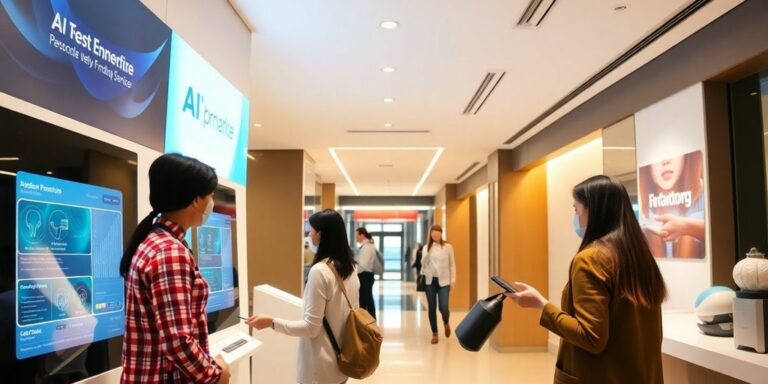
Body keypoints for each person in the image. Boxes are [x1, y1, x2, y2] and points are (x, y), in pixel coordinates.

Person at [506, 175, 667, 383]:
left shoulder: (590, 260)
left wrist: (542, 305)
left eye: (576, 209)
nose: (575, 217)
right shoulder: (640, 257)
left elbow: (591, 337)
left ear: (594, 211)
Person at [120, 153, 230, 384]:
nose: (211, 203)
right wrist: (214, 375)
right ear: (195, 200)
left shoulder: (156, 241)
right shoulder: (170, 252)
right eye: (209, 195)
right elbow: (177, 340)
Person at [247, 209, 359, 384]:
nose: (309, 234)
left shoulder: (320, 271)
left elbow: (311, 328)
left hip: (319, 369)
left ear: (321, 235)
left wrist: (271, 322)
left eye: (312, 230)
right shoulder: (351, 269)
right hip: (341, 365)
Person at [638, 151, 705, 258]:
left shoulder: (705, 196)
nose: (666, 161)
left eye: (675, 152)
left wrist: (686, 227)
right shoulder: (646, 213)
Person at [421, 225, 455, 344]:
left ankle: (446, 321)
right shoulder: (426, 247)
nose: (435, 235)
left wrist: (453, 280)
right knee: (431, 308)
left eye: (437, 233)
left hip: (444, 281)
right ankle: (434, 333)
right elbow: (423, 264)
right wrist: (428, 253)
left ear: (441, 233)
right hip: (430, 281)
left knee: (443, 307)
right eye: (433, 233)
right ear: (430, 235)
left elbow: (452, 265)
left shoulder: (448, 247)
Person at [355, 227, 378, 319]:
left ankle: (367, 322)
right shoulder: (367, 246)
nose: (356, 237)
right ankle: (370, 321)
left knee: (364, 301)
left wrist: (353, 270)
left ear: (362, 235)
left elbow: (363, 265)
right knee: (368, 300)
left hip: (365, 276)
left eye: (357, 235)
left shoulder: (367, 247)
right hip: (367, 276)